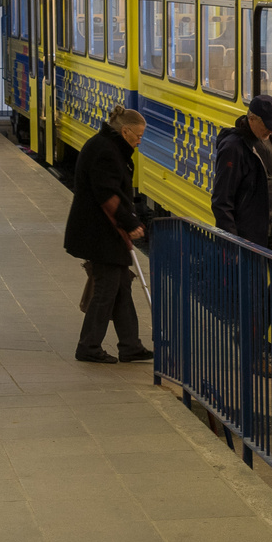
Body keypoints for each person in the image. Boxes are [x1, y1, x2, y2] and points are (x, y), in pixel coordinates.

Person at [64, 106, 154, 364]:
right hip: (99, 232)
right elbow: (108, 194)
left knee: (121, 285)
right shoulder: (105, 151)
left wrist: (129, 218)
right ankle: (88, 346)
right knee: (106, 288)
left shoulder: (110, 146)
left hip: (104, 230)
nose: (140, 140)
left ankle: (130, 345)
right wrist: (131, 222)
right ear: (125, 131)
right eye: (137, 136)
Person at [211, 94, 272, 256]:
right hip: (248, 230)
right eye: (268, 125)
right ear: (252, 119)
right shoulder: (232, 148)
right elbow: (222, 201)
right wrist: (231, 242)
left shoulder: (268, 139)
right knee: (256, 279)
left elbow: (269, 171)